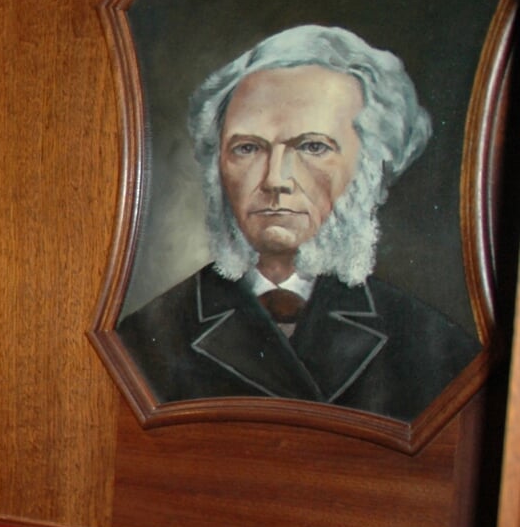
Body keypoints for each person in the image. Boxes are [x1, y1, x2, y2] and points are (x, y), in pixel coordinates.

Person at [117, 24, 478, 421]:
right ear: (216, 166)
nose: (275, 180)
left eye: (312, 146)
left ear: (372, 165)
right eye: (248, 148)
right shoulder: (145, 341)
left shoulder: (434, 348)